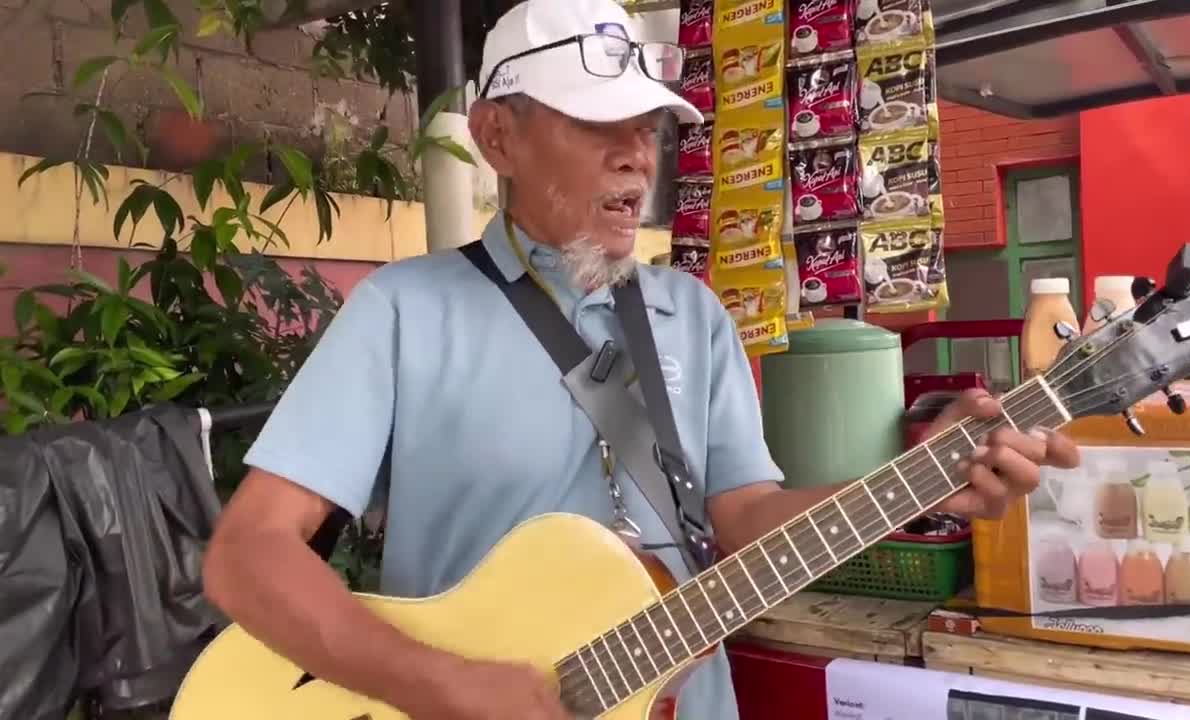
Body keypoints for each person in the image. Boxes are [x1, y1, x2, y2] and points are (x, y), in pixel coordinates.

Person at [199, 0, 1081, 718]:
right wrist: (436, 683)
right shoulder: (403, 311)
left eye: (650, 127)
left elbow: (747, 515)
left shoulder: (692, 315)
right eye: (596, 124)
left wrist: (916, 480)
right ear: (498, 138)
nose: (636, 154)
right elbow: (247, 555)